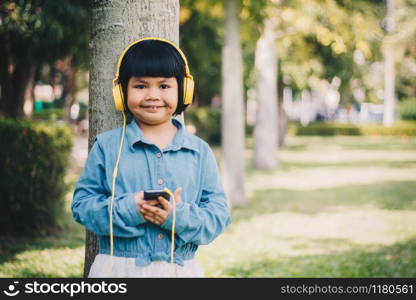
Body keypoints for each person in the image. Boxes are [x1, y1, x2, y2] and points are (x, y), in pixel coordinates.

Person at [71, 37, 231, 278]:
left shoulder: (199, 151)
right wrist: (131, 207)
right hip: (116, 270)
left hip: (180, 270)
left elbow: (218, 216)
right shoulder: (106, 146)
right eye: (141, 86)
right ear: (121, 92)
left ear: (184, 92)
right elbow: (82, 207)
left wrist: (177, 217)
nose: (152, 95)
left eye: (164, 86)